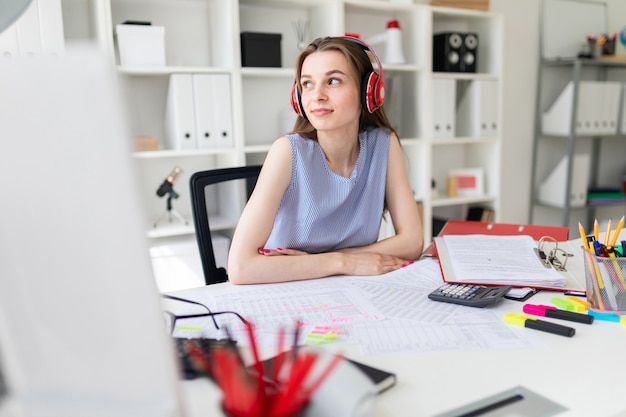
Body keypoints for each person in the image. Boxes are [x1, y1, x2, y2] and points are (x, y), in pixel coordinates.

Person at [228, 36, 423, 284]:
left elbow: (412, 241)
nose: (317, 95)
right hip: (285, 287)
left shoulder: (384, 144)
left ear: (368, 91)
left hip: (350, 285)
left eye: (333, 81)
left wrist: (333, 260)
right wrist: (342, 262)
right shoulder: (287, 152)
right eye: (307, 84)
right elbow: (240, 268)